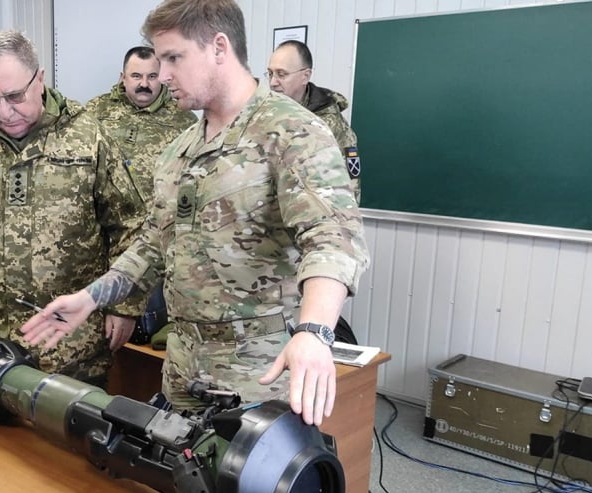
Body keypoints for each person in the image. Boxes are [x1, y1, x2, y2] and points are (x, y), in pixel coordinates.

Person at [22, 0, 369, 427]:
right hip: (183, 368)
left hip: (257, 379)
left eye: (173, 58)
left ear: (219, 47)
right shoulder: (180, 149)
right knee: (176, 490)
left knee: (250, 491)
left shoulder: (291, 131)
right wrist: (89, 298)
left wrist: (314, 332)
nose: (163, 76)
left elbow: (332, 238)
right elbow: (152, 243)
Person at [0, 30, 148, 386]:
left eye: (15, 95)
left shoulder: (88, 137)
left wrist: (124, 305)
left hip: (73, 341)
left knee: (69, 437)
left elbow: (131, 225)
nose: (4, 112)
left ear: (39, 79)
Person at [85, 45, 197, 201]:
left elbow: (193, 176)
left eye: (152, 76)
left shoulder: (183, 118)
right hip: (108, 218)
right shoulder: (96, 109)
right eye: (136, 76)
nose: (144, 84)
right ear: (124, 78)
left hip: (158, 218)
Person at [267, 39, 361, 202]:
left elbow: (350, 187)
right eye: (270, 73)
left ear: (305, 76)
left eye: (281, 74)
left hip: (309, 220)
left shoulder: (330, 123)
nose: (273, 82)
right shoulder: (264, 115)